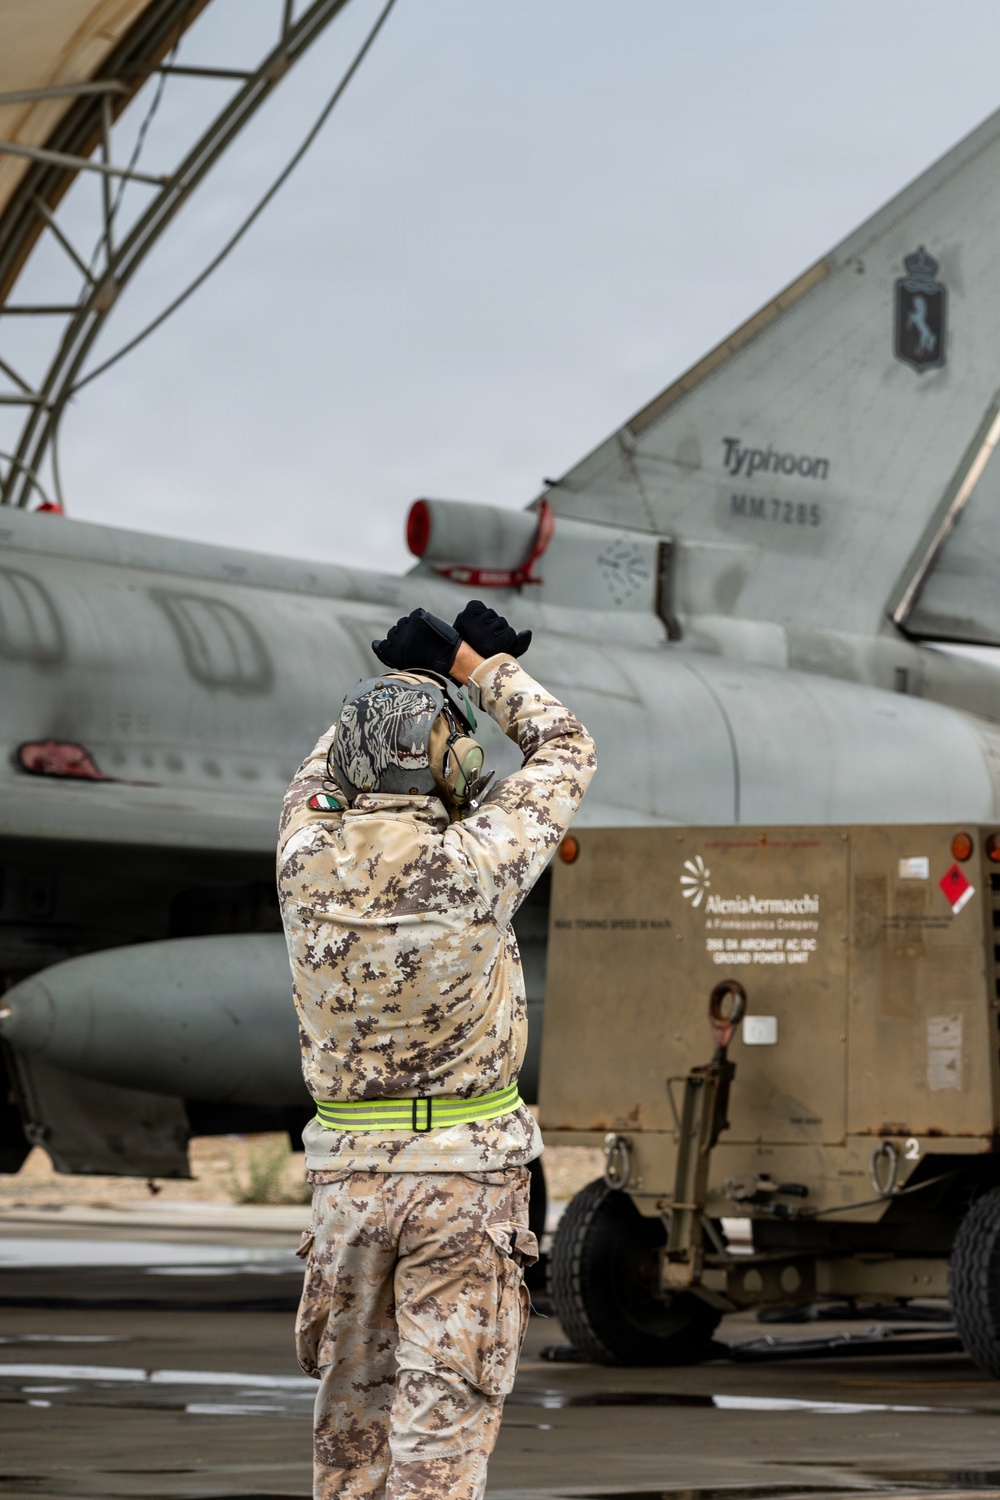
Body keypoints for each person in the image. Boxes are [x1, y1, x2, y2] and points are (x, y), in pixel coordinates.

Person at [277, 599, 595, 1500]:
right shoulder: (478, 859)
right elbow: (566, 747)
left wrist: (403, 679)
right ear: (452, 767)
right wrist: (478, 668)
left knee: (350, 1450)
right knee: (438, 1451)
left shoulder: (302, 856)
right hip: (464, 1186)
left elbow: (322, 769)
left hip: (348, 1188)